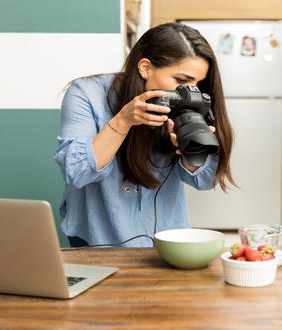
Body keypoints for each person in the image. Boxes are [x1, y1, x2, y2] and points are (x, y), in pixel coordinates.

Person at [55, 23, 235, 248]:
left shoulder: (194, 103)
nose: (191, 92)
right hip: (96, 237)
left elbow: (205, 180)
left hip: (165, 238)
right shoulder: (87, 93)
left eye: (198, 84)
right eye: (181, 81)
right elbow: (77, 172)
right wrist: (123, 121)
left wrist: (188, 151)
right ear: (145, 68)